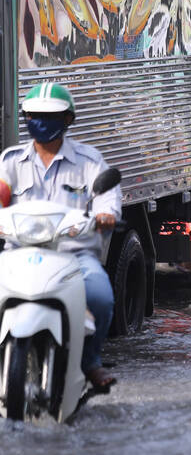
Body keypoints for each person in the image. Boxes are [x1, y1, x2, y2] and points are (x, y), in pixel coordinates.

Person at [0, 83, 121, 391]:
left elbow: (108, 204)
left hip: (73, 256)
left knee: (101, 297)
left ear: (68, 119)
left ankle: (90, 362)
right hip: (18, 254)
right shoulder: (10, 161)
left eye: (50, 115)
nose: (40, 121)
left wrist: (105, 216)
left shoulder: (90, 161)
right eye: (34, 115)